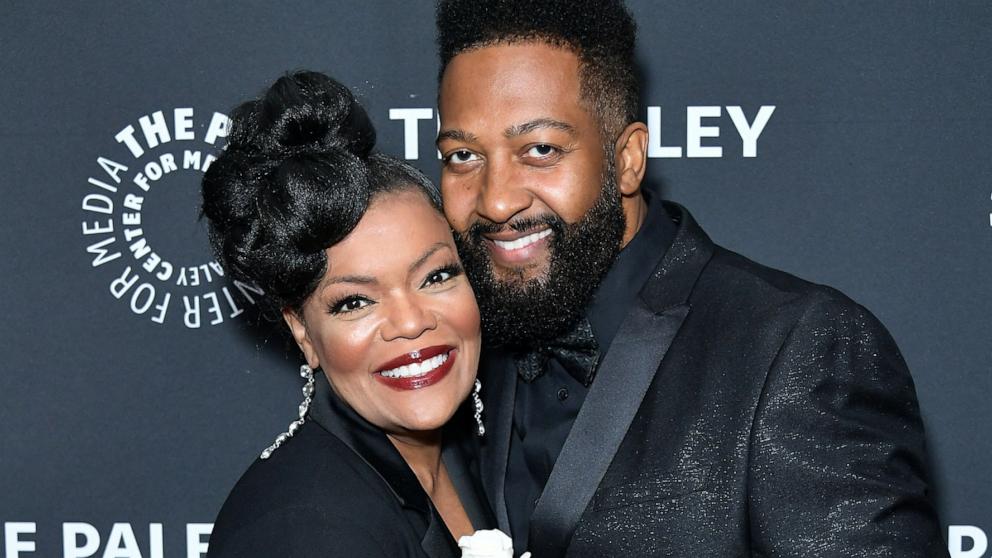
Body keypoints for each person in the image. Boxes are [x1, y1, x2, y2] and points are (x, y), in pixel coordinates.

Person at [434, 1, 948, 556]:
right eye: (463, 156)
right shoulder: (460, 338)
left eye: (540, 150)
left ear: (627, 158)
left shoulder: (802, 347)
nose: (496, 200)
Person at [202, 71, 494, 557]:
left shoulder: (484, 461)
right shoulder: (305, 532)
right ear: (303, 332)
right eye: (355, 302)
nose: (410, 321)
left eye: (437, 276)